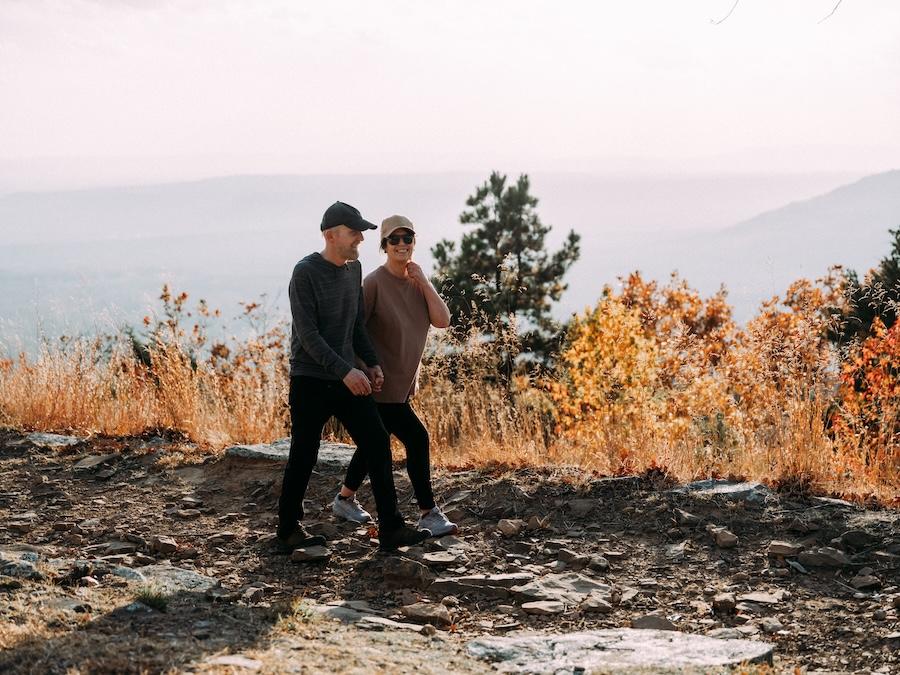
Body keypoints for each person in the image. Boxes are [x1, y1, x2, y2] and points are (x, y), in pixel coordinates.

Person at [276, 202, 430, 553]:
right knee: (304, 452)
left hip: (348, 375)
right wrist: (346, 370)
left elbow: (357, 325)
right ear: (331, 235)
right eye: (354, 232)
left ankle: (390, 528)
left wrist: (372, 363)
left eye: (361, 232)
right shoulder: (305, 272)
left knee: (377, 440)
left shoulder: (353, 269)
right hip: (311, 379)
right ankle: (287, 530)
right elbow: (308, 335)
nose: (361, 238)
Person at [332, 215, 458, 537]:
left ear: (414, 242)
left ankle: (345, 499)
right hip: (378, 384)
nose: (401, 244)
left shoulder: (418, 282)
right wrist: (362, 369)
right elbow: (355, 329)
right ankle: (428, 512)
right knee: (417, 439)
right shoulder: (373, 282)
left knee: (375, 442)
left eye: (407, 238)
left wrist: (425, 282)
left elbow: (443, 321)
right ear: (384, 245)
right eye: (394, 239)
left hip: (401, 385)